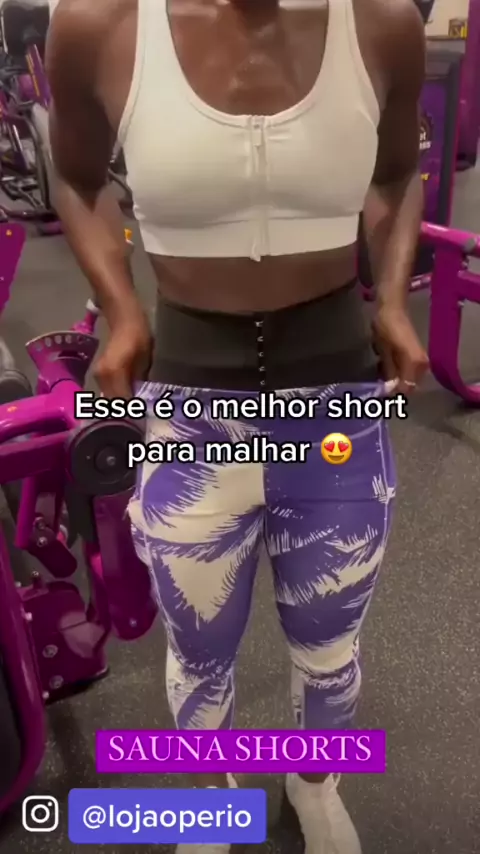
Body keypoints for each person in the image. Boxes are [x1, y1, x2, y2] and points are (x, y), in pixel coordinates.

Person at [46, 0, 428, 851]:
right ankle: (212, 801)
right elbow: (76, 178)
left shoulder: (382, 22)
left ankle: (313, 782)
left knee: (329, 646)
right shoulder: (100, 24)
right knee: (200, 650)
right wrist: (123, 310)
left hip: (333, 412)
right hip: (191, 414)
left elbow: (398, 175)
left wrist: (395, 302)